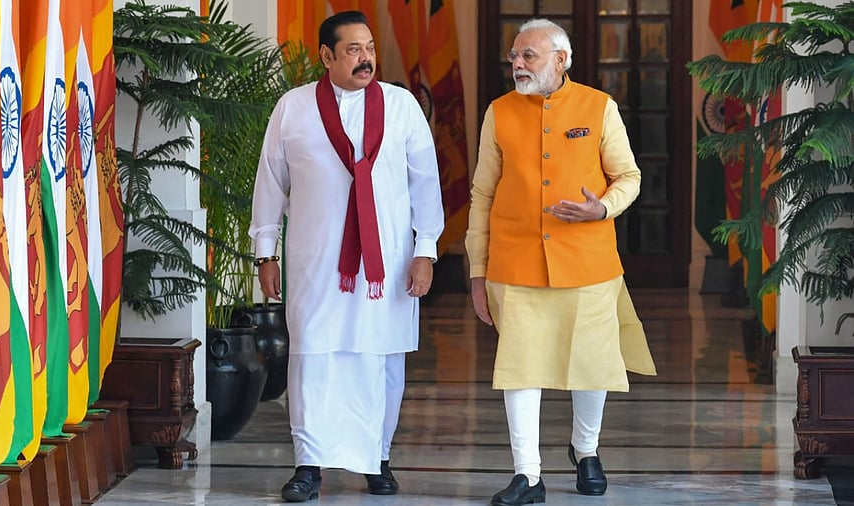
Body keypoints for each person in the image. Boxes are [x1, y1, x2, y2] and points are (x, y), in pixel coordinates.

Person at [249, 10, 445, 503]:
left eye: (370, 48)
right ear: (326, 56)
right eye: (354, 49)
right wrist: (264, 253)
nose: (366, 59)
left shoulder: (401, 106)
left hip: (388, 264)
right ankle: (308, 465)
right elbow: (270, 184)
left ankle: (378, 459)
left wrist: (426, 251)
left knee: (381, 358)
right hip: (316, 263)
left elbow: (426, 185)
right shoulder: (293, 108)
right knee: (312, 356)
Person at [465, 19, 657, 506]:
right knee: (520, 369)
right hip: (515, 260)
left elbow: (629, 177)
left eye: (529, 55)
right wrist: (476, 270)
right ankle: (527, 476)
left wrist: (602, 208)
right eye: (514, 55)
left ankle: (586, 450)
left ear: (560, 60)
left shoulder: (599, 106)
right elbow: (482, 191)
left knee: (591, 366)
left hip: (588, 261)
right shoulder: (499, 112)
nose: (518, 64)